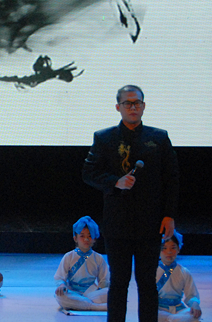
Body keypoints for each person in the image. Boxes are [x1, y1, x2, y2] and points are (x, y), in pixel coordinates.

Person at [82, 85, 180, 322]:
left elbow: (172, 178)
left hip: (150, 222)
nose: (133, 107)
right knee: (119, 282)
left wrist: (169, 215)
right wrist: (115, 182)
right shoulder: (104, 138)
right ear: (118, 107)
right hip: (117, 222)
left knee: (147, 282)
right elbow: (88, 173)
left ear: (144, 106)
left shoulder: (159, 137)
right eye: (128, 103)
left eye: (137, 103)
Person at [54, 216, 109, 312]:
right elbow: (60, 277)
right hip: (72, 292)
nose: (86, 239)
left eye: (90, 236)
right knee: (60, 295)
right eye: (82, 236)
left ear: (94, 239)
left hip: (91, 293)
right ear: (75, 238)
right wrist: (61, 285)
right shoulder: (69, 256)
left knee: (112, 292)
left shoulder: (98, 258)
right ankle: (95, 306)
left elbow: (104, 281)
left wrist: (103, 291)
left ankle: (83, 304)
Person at [156, 231, 201, 322]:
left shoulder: (184, 272)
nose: (169, 252)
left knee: (193, 315)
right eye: (164, 248)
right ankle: (173, 319)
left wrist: (195, 304)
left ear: (178, 249)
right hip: (159, 309)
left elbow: (191, 295)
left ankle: (171, 319)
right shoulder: (152, 270)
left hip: (178, 309)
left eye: (173, 248)